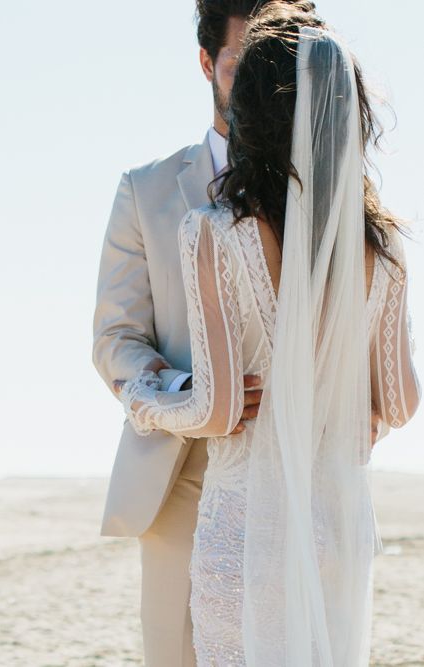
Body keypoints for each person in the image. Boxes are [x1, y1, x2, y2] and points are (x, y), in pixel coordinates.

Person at [116, 2, 421, 664]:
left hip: (245, 529)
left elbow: (219, 408)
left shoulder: (213, 231)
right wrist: (347, 400)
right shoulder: (385, 246)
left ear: (252, 113)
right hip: (337, 531)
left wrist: (143, 397)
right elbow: (397, 402)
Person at [92, 1, 329, 665]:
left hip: (304, 475)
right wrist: (193, 394)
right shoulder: (145, 192)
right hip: (182, 474)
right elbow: (114, 340)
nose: (261, 87)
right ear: (205, 64)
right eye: (240, 65)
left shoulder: (330, 193)